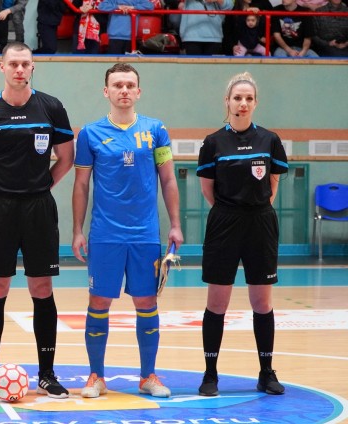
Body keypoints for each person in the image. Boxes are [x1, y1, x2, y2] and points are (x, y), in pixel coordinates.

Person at [0, 41, 74, 400]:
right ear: (2, 67)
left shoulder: (51, 107)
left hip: (39, 208)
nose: (20, 69)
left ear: (33, 67)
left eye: (25, 63)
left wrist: (40, 187)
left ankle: (47, 374)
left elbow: (66, 158)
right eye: (13, 64)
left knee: (42, 288)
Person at [71, 63, 183, 399]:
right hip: (105, 234)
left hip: (145, 235)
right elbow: (81, 184)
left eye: (130, 85)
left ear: (138, 91)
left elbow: (168, 179)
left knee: (147, 301)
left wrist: (175, 225)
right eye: (117, 85)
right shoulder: (89, 134)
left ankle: (148, 376)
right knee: (99, 300)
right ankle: (96, 376)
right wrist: (77, 230)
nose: (124, 90)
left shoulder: (156, 130)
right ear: (106, 91)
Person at [196, 72, 289, 397]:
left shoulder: (270, 140)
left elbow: (273, 183)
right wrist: (231, 212)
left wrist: (255, 210)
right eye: (237, 98)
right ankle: (210, 375)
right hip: (224, 223)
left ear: (255, 103)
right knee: (217, 302)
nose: (243, 103)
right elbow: (207, 189)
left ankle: (266, 372)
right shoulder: (213, 143)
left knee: (262, 302)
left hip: (260, 223)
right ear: (227, 101)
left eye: (249, 98)